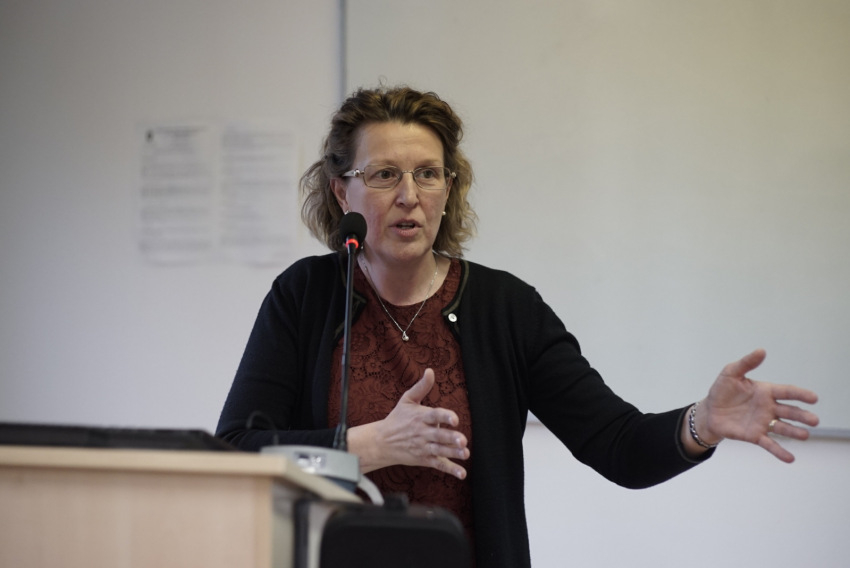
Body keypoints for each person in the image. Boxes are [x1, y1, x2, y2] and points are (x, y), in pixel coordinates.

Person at [216, 86, 820, 568]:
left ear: (449, 188)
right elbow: (238, 449)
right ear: (341, 189)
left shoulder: (505, 308)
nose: (409, 195)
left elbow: (618, 445)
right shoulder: (305, 295)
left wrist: (702, 422)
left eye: (428, 173)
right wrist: (370, 445)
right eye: (383, 175)